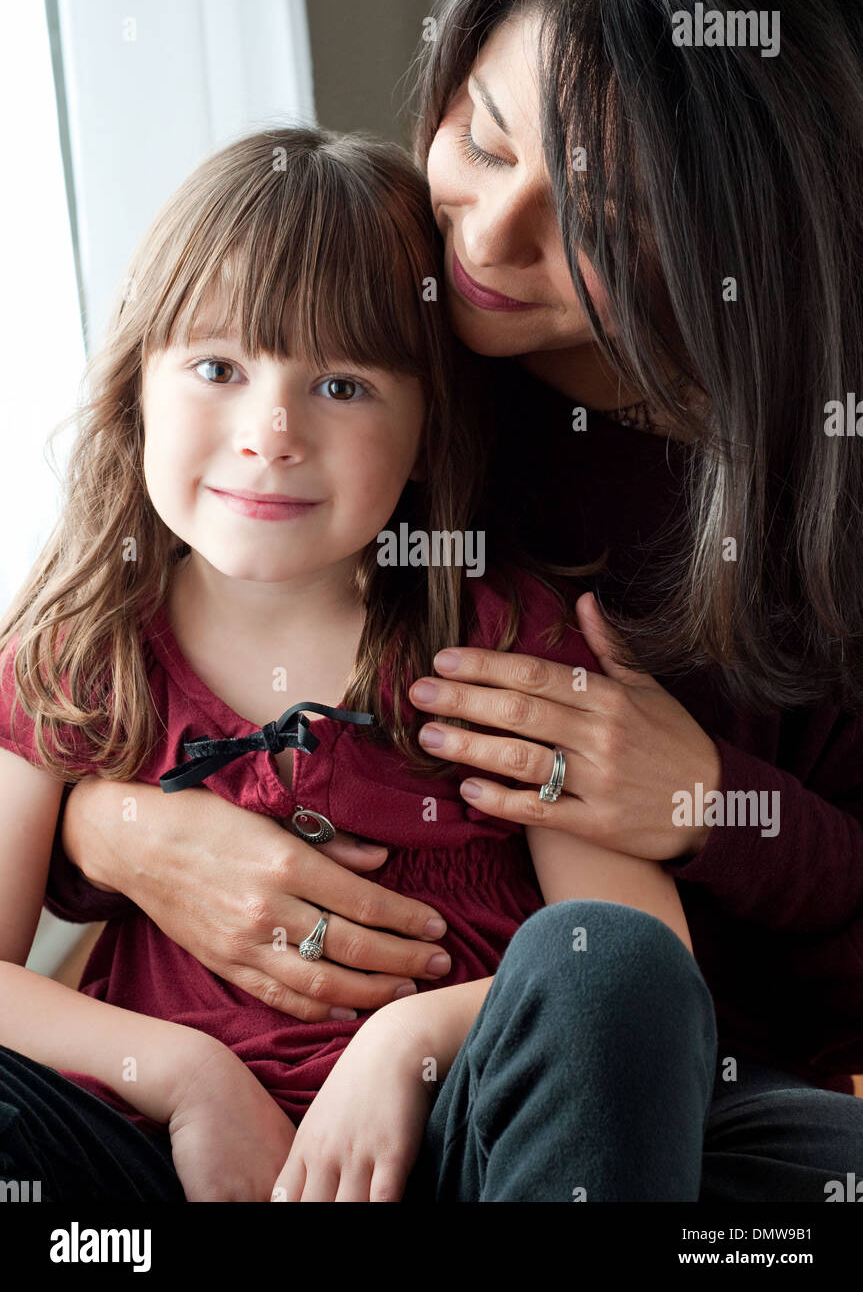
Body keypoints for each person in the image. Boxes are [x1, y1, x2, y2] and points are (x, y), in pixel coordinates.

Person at [45, 0, 863, 1200]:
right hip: (221, 1091)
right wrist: (121, 828)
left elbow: (632, 965)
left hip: (616, 1071)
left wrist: (709, 807)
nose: (480, 239)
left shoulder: (791, 479)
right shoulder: (370, 315)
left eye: (603, 212)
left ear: (731, 240)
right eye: (480, 141)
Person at [0, 125, 697, 1203]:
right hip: (153, 1159)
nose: (270, 431)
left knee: (602, 965)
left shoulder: (502, 637)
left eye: (341, 385)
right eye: (217, 367)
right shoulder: (75, 644)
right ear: (137, 385)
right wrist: (186, 1078)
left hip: (465, 1149)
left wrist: (409, 1043)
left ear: (428, 424)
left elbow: (636, 956)